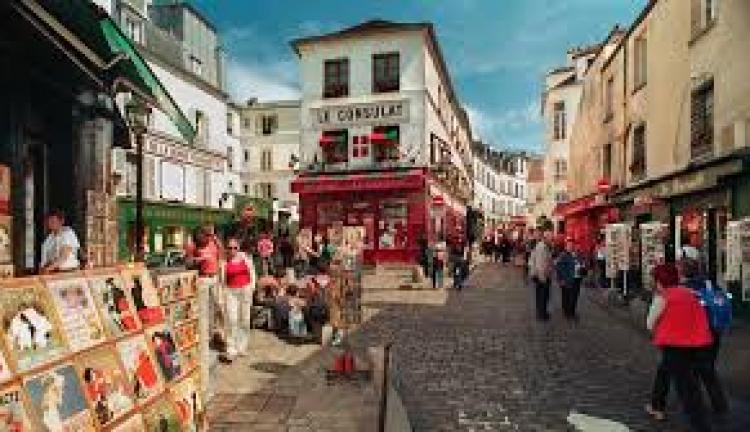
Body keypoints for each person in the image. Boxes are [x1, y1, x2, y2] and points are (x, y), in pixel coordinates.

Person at [648, 258, 729, 417]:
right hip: (711, 333)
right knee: (707, 371)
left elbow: (653, 322)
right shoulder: (709, 284)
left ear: (681, 273)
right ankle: (720, 406)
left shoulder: (680, 290)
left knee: (668, 371)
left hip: (685, 337)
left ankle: (661, 406)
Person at [645, 263, 712, 432]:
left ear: (659, 281)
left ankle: (700, 425)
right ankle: (656, 405)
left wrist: (662, 328)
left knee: (686, 387)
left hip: (674, 345)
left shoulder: (663, 297)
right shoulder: (691, 294)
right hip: (697, 343)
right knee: (665, 371)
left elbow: (650, 323)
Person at [220, 238, 256, 359]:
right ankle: (231, 348)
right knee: (231, 319)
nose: (232, 250)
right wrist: (222, 296)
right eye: (230, 248)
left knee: (244, 319)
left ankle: (242, 346)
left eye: (235, 248)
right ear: (226, 249)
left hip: (245, 291)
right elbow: (222, 281)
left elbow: (252, 273)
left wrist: (251, 288)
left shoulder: (246, 258)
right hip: (231, 292)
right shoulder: (224, 261)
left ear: (238, 248)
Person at [555, 239, 586, 320]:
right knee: (567, 296)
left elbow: (583, 264)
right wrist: (561, 279)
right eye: (569, 245)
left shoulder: (578, 254)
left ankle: (572, 311)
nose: (571, 247)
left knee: (575, 296)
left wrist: (583, 268)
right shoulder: (563, 255)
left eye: (572, 245)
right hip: (567, 279)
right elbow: (559, 268)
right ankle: (567, 312)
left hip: (577, 278)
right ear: (566, 247)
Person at [528, 230, 553, 321]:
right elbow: (540, 264)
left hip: (540, 275)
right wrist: (543, 278)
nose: (551, 240)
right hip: (542, 276)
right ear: (546, 238)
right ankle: (542, 314)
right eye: (550, 238)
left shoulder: (543, 246)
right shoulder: (542, 247)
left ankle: (541, 312)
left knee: (541, 295)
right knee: (543, 296)